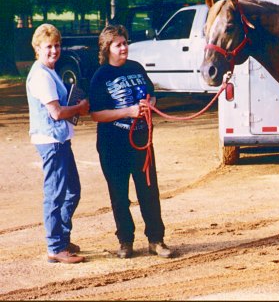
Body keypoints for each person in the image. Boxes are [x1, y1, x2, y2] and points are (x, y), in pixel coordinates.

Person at [89, 24, 172, 259]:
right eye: (118, 44)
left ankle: (156, 239)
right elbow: (96, 114)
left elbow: (150, 94)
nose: (124, 47)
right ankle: (125, 241)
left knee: (148, 191)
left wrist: (150, 104)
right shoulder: (101, 76)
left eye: (125, 43)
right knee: (119, 195)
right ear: (107, 49)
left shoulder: (136, 68)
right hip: (114, 144)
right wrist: (129, 112)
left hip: (142, 141)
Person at [26, 23, 89, 264]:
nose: (54, 51)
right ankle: (55, 247)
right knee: (56, 193)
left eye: (57, 45)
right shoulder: (41, 75)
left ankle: (61, 238)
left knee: (72, 190)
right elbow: (55, 112)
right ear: (38, 48)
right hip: (51, 141)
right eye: (48, 46)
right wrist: (80, 108)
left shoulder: (49, 70)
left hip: (60, 140)